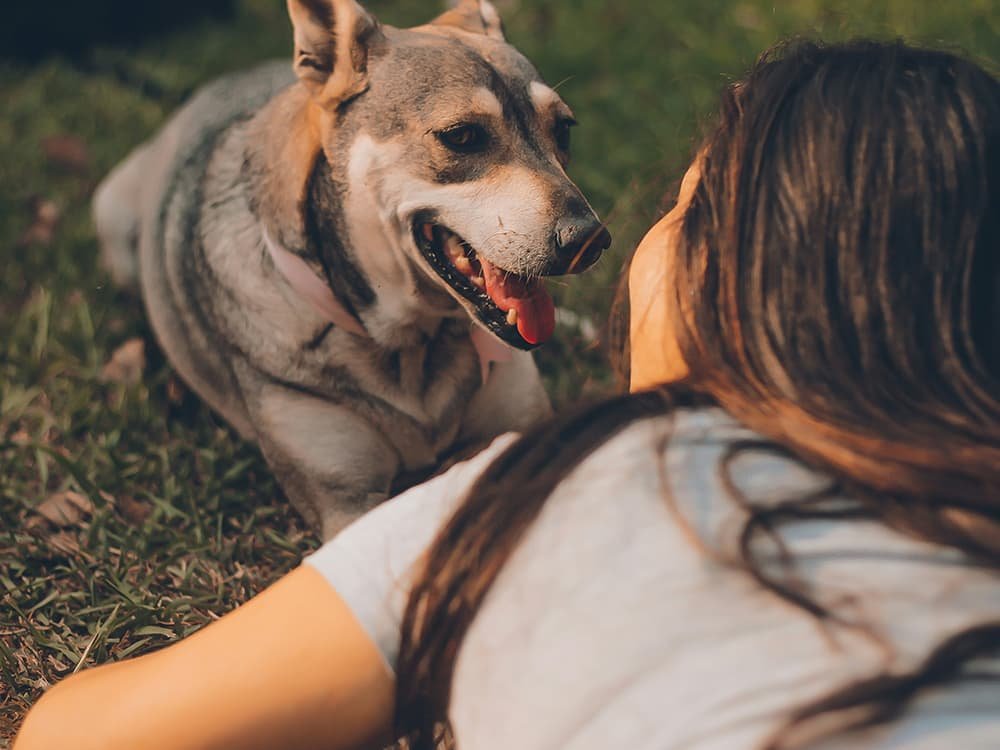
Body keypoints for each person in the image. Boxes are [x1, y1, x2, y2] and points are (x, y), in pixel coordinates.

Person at [15, 38, 1000, 750]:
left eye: (685, 207)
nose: (596, 234)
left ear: (751, 283)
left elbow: (75, 734)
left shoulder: (531, 499)